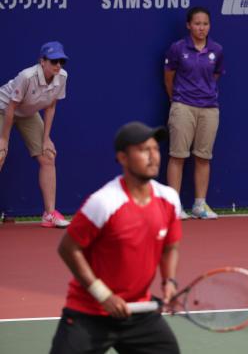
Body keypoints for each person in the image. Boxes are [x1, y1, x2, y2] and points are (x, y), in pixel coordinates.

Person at [49, 122, 182, 353]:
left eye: (156, 149)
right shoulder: (104, 202)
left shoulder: (169, 199)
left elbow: (170, 247)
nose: (153, 156)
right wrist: (104, 295)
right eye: (143, 150)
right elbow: (68, 248)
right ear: (122, 158)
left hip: (138, 313)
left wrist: (168, 281)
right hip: (89, 313)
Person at [0, 41, 70, 228]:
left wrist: (46, 138)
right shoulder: (27, 76)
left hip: (28, 114)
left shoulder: (62, 77)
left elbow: (51, 106)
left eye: (61, 61)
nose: (58, 65)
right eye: (53, 61)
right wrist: (4, 140)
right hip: (3, 109)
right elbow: (11, 107)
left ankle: (49, 214)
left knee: (48, 156)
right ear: (42, 61)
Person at [164, 6, 225, 220]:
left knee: (203, 157)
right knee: (177, 156)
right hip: (182, 106)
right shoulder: (177, 48)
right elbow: (169, 76)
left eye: (205, 24)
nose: (201, 28)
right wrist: (177, 99)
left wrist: (203, 94)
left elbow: (215, 76)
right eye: (197, 23)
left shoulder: (216, 50)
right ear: (189, 25)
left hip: (209, 108)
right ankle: (173, 206)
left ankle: (200, 205)